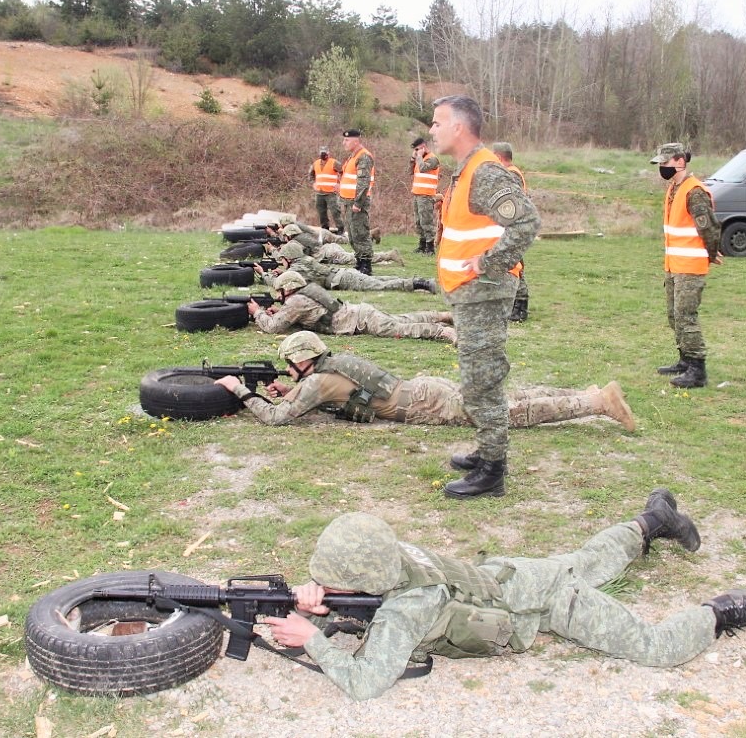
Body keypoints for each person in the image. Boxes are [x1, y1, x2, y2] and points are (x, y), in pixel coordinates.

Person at [258, 504, 746, 700]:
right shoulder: (387, 552)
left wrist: (315, 642)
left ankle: (728, 610)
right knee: (589, 558)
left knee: (653, 647)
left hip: (551, 606)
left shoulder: (407, 607)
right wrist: (316, 605)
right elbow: (362, 599)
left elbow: (365, 684)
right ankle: (654, 520)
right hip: (509, 576)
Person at [429, 95, 540, 499]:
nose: (432, 129)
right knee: (476, 376)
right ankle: (486, 450)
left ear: (459, 127)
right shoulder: (465, 171)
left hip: (485, 292)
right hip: (470, 294)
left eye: (438, 122)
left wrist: (488, 262)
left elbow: (526, 223)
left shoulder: (485, 172)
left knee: (483, 380)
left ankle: (493, 471)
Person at [214, 330, 634, 431]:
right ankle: (589, 393)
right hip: (423, 388)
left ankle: (597, 404)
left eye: (290, 364)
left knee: (507, 413)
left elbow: (276, 419)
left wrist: (241, 391)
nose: (288, 370)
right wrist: (290, 390)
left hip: (423, 403)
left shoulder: (315, 381)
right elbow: (334, 394)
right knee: (506, 397)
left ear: (304, 361)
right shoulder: (328, 368)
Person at [652, 143, 721, 389]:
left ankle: (697, 368)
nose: (662, 167)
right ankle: (684, 359)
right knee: (674, 315)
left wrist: (712, 253)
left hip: (690, 266)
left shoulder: (695, 191)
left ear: (680, 162)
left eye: (665, 163)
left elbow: (709, 227)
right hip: (674, 264)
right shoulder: (674, 188)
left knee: (685, 316)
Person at [248, 271, 456, 343]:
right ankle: (443, 315)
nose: (278, 296)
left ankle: (443, 330)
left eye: (280, 291)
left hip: (360, 320)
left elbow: (273, 328)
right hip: (359, 313)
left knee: (401, 328)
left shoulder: (296, 301)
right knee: (402, 319)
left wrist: (256, 311)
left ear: (288, 288)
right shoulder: (304, 293)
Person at [257, 242, 437, 294]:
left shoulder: (297, 268)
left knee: (381, 285)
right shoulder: (302, 262)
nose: (282, 263)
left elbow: (280, 283)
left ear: (289, 258)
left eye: (283, 260)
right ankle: (418, 282)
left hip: (344, 279)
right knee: (381, 281)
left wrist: (263, 274)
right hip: (344, 275)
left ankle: (421, 284)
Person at [491, 142, 530, 323]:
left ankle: (521, 306)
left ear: (499, 157)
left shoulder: (511, 174)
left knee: (516, 265)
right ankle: (515, 303)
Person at [277, 223, 405, 267]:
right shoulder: (300, 236)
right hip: (330, 249)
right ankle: (384, 254)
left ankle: (388, 255)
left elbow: (298, 256)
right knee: (351, 249)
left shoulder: (298, 241)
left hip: (329, 253)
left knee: (356, 257)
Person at [338, 129, 377, 273]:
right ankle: (359, 261)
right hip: (348, 201)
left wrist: (358, 203)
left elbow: (363, 182)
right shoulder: (353, 156)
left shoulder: (364, 156)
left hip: (357, 202)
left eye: (346, 140)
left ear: (356, 141)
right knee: (353, 234)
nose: (344, 143)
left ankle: (366, 264)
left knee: (360, 233)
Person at [409, 137, 441, 254]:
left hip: (426, 195)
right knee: (419, 222)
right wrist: (413, 159)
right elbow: (410, 172)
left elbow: (422, 169)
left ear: (423, 147)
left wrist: (418, 157)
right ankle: (422, 245)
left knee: (426, 222)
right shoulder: (419, 159)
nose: (416, 152)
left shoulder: (433, 159)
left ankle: (430, 247)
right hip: (417, 194)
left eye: (418, 149)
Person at [309, 147, 346, 234]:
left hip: (331, 193)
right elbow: (311, 175)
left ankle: (341, 229)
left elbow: (343, 172)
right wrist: (313, 183)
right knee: (321, 213)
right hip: (319, 193)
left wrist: (339, 183)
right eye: (322, 153)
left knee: (335, 212)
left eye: (325, 153)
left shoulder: (334, 162)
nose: (323, 155)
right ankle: (325, 230)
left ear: (329, 153)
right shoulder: (316, 163)